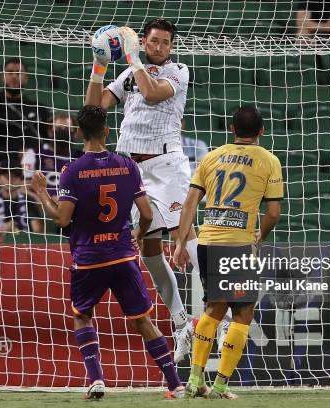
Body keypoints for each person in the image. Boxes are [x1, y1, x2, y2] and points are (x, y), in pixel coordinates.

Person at [30, 105, 184, 399]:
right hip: (123, 255)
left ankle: (96, 378)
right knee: (142, 320)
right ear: (107, 131)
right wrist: (137, 234)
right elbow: (148, 214)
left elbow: (62, 219)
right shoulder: (128, 166)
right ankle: (175, 384)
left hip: (89, 259)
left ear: (78, 133)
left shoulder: (72, 171)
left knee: (83, 315)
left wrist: (41, 193)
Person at [85, 18, 199, 363]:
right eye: (154, 41)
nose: (159, 47)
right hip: (132, 171)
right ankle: (182, 325)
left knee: (185, 233)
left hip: (167, 165)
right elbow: (92, 112)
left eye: (165, 42)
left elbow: (151, 95)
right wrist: (99, 67)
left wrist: (133, 59)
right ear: (144, 41)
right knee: (150, 250)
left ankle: (219, 316)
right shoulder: (128, 74)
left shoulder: (178, 71)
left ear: (171, 46)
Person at [174, 105, 283, 399]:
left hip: (208, 241)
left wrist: (181, 243)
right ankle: (220, 385)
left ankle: (195, 382)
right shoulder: (269, 161)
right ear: (261, 131)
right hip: (238, 245)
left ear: (232, 130)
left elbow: (190, 203)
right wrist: (261, 235)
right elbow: (273, 212)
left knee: (213, 311)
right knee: (243, 313)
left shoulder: (211, 157)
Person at [0, 57, 49, 169]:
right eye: (10, 72)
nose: (14, 76)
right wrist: (15, 154)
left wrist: (33, 152)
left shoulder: (40, 109)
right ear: (2, 77)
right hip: (5, 165)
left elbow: (48, 141)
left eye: (19, 73)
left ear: (26, 78)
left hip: (39, 163)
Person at [0, 167, 44, 242]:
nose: (10, 180)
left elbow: (37, 231)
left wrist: (18, 233)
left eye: (15, 176)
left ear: (21, 181)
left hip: (24, 245)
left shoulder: (28, 199)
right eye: (6, 176)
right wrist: (4, 229)